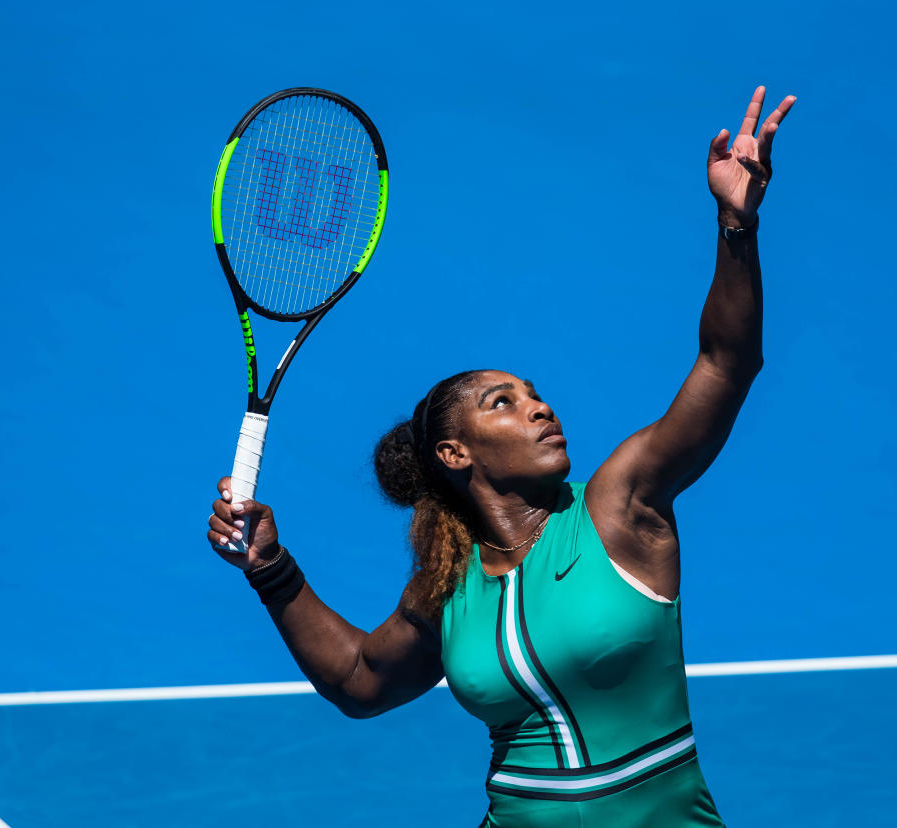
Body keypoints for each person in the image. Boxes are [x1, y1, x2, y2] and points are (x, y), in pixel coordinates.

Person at [207, 86, 795, 827]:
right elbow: (360, 681)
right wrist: (270, 569)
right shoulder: (448, 587)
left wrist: (736, 225)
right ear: (455, 453)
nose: (539, 408)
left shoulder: (620, 505)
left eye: (535, 394)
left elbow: (725, 364)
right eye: (503, 403)